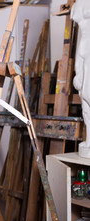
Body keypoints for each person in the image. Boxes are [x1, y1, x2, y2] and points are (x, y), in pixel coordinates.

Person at [71, 0, 90, 158]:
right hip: (84, 53)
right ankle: (89, 140)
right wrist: (78, 73)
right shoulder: (78, 5)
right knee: (86, 110)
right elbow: (79, 52)